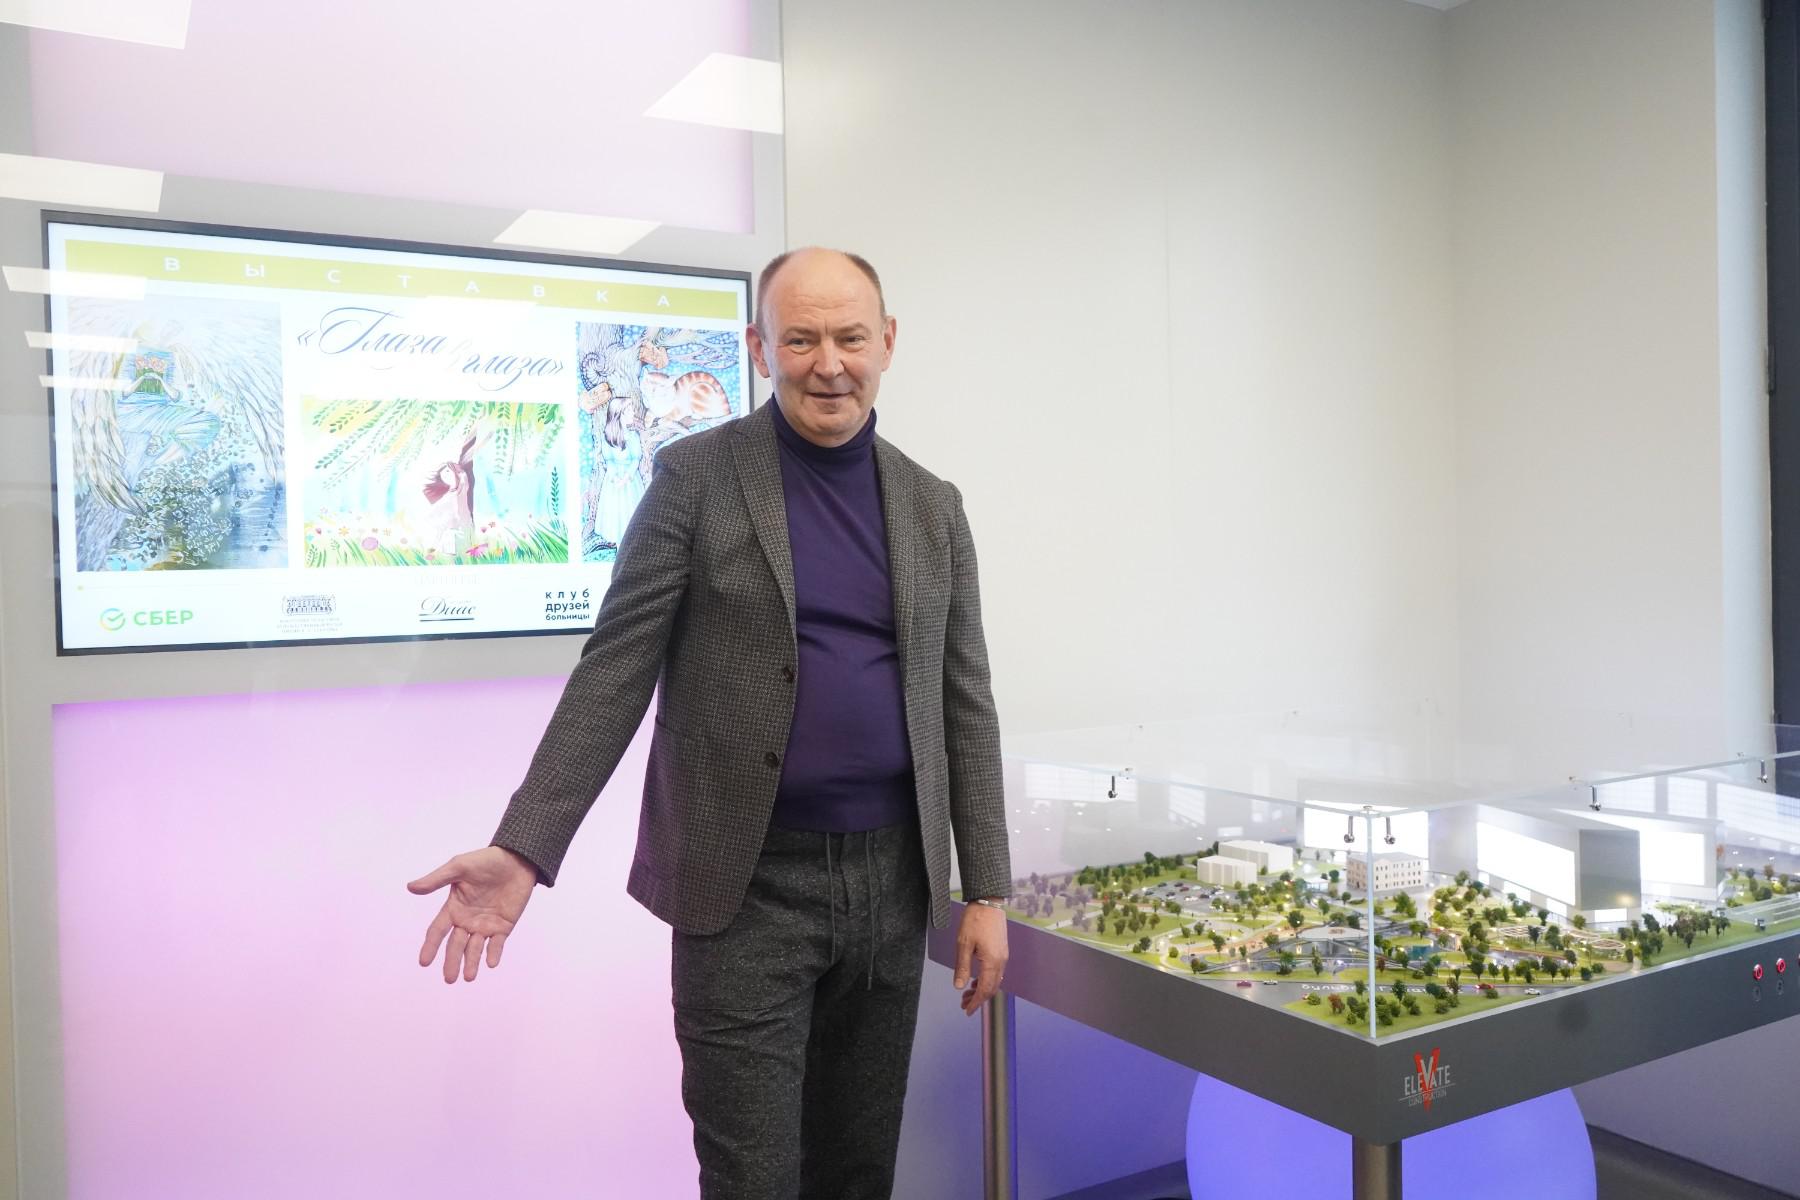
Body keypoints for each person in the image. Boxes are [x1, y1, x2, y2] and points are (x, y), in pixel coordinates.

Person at [407, 247, 1012, 1200]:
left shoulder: (933, 507)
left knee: (857, 1174)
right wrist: (525, 846)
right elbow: (615, 670)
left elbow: (965, 699)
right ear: (760, 350)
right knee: (751, 1179)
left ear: (887, 343)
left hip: (893, 888)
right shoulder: (695, 478)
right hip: (745, 890)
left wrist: (988, 890)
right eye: (800, 339)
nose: (829, 364)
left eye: (850, 338)